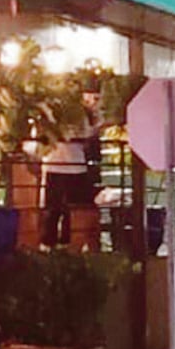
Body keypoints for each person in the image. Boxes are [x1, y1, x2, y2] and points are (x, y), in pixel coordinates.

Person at [42, 92, 100, 246]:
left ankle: (51, 243)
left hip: (58, 165)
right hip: (74, 166)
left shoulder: (50, 113)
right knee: (70, 210)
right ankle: (65, 243)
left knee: (54, 209)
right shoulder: (81, 114)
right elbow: (90, 133)